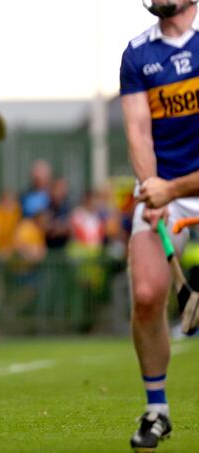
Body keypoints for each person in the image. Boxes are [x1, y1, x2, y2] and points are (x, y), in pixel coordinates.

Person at [120, 0, 199, 450]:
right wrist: (151, 188)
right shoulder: (137, 55)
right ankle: (157, 409)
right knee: (148, 294)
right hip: (166, 187)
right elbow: (138, 130)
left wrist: (173, 188)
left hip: (184, 183)